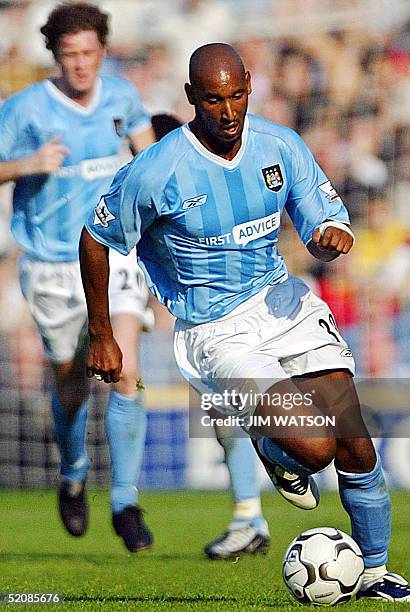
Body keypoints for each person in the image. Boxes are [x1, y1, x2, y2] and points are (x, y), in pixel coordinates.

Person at [79, 43, 410, 601]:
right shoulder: (156, 170)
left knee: (357, 445)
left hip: (283, 305)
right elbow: (95, 239)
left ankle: (375, 572)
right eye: (214, 100)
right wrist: (103, 334)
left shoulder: (280, 145)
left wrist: (328, 237)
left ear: (250, 85)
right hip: (217, 332)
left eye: (238, 95)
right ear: (192, 97)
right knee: (316, 450)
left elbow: (321, 216)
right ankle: (272, 448)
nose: (228, 111)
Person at [0, 3, 156, 552]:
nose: (82, 65)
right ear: (56, 57)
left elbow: (150, 157)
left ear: (103, 52)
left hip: (114, 254)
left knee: (126, 366)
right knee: (70, 380)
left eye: (90, 53)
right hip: (51, 264)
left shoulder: (121, 97)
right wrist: (26, 165)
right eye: (71, 55)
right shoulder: (23, 110)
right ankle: (73, 472)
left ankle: (125, 500)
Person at [151, 112, 270, 559]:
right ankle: (248, 517)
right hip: (206, 318)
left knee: (242, 412)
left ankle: (254, 507)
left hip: (236, 316)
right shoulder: (150, 185)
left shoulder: (187, 179)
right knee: (223, 415)